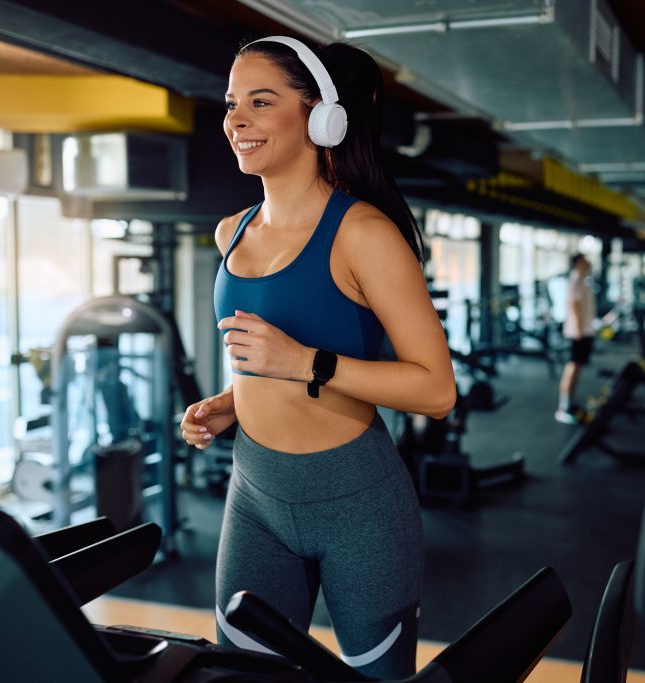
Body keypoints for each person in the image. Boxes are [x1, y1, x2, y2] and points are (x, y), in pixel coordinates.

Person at [178, 36, 456, 679]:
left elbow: (437, 390)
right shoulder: (231, 232)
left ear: (320, 115)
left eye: (261, 101)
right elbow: (261, 365)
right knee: (238, 675)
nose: (235, 120)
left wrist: (306, 363)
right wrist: (227, 405)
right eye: (230, 104)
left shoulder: (364, 233)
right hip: (255, 494)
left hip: (355, 502)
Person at [556, 254, 596, 424]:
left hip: (584, 331)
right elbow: (574, 304)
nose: (588, 263)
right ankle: (563, 407)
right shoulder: (576, 279)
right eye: (585, 260)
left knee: (576, 368)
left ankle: (570, 403)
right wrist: (579, 329)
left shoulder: (582, 279)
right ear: (578, 263)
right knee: (572, 367)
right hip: (577, 333)